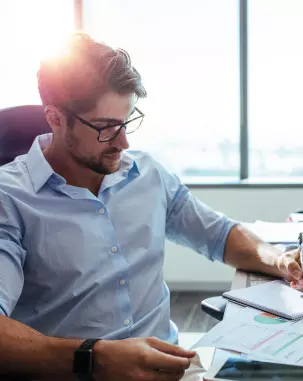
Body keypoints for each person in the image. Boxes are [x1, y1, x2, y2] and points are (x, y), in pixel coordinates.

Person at [0, 32, 302, 381]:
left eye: (127, 121)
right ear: (54, 118)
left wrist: (277, 259)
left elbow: (218, 234)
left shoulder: (146, 173)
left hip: (172, 368)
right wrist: (95, 358)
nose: (124, 141)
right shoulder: (10, 199)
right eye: (105, 128)